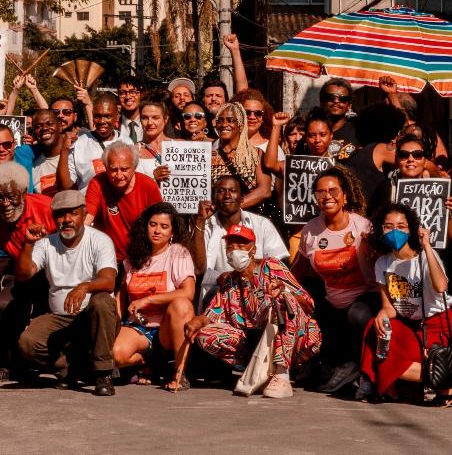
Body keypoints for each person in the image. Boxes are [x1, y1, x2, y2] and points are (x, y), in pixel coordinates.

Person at [185, 224, 321, 398]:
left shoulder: (271, 266)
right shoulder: (230, 281)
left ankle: (282, 375)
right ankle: (255, 369)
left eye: (241, 246)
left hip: (292, 337)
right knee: (205, 334)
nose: (235, 251)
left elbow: (308, 304)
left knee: (283, 301)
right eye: (230, 247)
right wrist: (198, 321)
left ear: (253, 249)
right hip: (252, 341)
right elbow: (212, 314)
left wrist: (285, 290)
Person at [15, 190, 118, 396]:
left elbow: (108, 281)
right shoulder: (46, 243)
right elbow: (24, 274)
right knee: (28, 342)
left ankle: (103, 373)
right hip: (60, 317)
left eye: (73, 213)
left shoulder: (99, 240)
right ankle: (70, 370)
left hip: (92, 317)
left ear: (83, 213)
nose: (67, 220)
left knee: (102, 301)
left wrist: (84, 287)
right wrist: (27, 244)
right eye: (61, 215)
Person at [293, 165, 378, 393]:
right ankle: (334, 365)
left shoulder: (362, 227)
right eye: (320, 192)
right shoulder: (311, 229)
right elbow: (298, 270)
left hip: (365, 300)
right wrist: (282, 289)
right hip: (332, 302)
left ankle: (360, 365)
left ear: (345, 196)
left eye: (332, 190)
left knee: (357, 314)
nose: (326, 196)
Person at [357, 204, 450, 402]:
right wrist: (382, 314)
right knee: (375, 331)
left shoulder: (424, 257)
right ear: (381, 230)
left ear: (411, 230)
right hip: (410, 325)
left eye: (401, 226)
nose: (395, 231)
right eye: (389, 226)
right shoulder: (383, 262)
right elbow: (389, 307)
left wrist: (427, 247)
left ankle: (440, 379)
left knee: (396, 362)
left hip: (437, 322)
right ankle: (438, 379)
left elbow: (441, 286)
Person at [112, 202, 196, 391]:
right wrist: (114, 324)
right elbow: (121, 297)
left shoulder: (178, 253)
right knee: (117, 354)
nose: (157, 230)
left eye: (164, 226)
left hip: (167, 327)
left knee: (181, 304)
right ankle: (148, 363)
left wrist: (148, 299)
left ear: (172, 231)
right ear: (145, 226)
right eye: (153, 224)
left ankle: (179, 373)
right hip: (139, 326)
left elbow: (188, 292)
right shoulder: (133, 258)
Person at [0, 162, 55, 381]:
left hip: (51, 270)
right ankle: (6, 362)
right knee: (2, 304)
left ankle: (45, 360)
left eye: (11, 197)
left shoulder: (46, 207)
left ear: (24, 192)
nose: (5, 204)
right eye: (0, 198)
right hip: (21, 269)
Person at [193, 175, 289, 308]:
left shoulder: (261, 224)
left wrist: (244, 277)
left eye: (232, 191)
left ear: (242, 198)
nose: (227, 195)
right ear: (214, 198)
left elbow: (277, 263)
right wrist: (199, 221)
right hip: (218, 295)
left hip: (259, 293)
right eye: (221, 191)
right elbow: (198, 269)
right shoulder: (206, 226)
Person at [85, 142, 162, 262]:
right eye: (113, 170)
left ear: (134, 166)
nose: (119, 175)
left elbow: (159, 223)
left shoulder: (148, 186)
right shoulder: (97, 183)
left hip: (141, 258)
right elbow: (88, 216)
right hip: (107, 259)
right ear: (105, 167)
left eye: (124, 169)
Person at [58, 93, 123, 193]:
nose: (102, 121)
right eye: (97, 116)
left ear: (116, 117)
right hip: (88, 205)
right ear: (92, 116)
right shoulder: (79, 143)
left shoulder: (126, 141)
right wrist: (64, 151)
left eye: (107, 116)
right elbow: (66, 186)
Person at [210, 102, 271, 208]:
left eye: (230, 120)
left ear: (241, 125)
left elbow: (264, 191)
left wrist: (229, 207)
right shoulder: (209, 156)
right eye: (220, 121)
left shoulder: (256, 154)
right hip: (218, 221)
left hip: (248, 220)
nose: (224, 124)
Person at [319, 77, 360, 159]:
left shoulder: (359, 131)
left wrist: (392, 94)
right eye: (331, 97)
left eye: (343, 99)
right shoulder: (311, 133)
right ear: (322, 102)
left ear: (349, 105)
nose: (336, 101)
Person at [30, 109, 65, 197]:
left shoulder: (76, 155)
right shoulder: (33, 167)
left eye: (49, 124)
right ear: (34, 132)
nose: (44, 128)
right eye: (38, 126)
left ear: (60, 126)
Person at [135, 100, 172, 183]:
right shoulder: (133, 151)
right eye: (145, 118)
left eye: (155, 118)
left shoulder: (179, 145)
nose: (150, 123)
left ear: (165, 119)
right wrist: (153, 178)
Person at [118, 77, 144, 144]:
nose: (128, 97)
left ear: (141, 95)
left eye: (133, 92)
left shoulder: (150, 123)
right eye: (122, 93)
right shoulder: (113, 125)